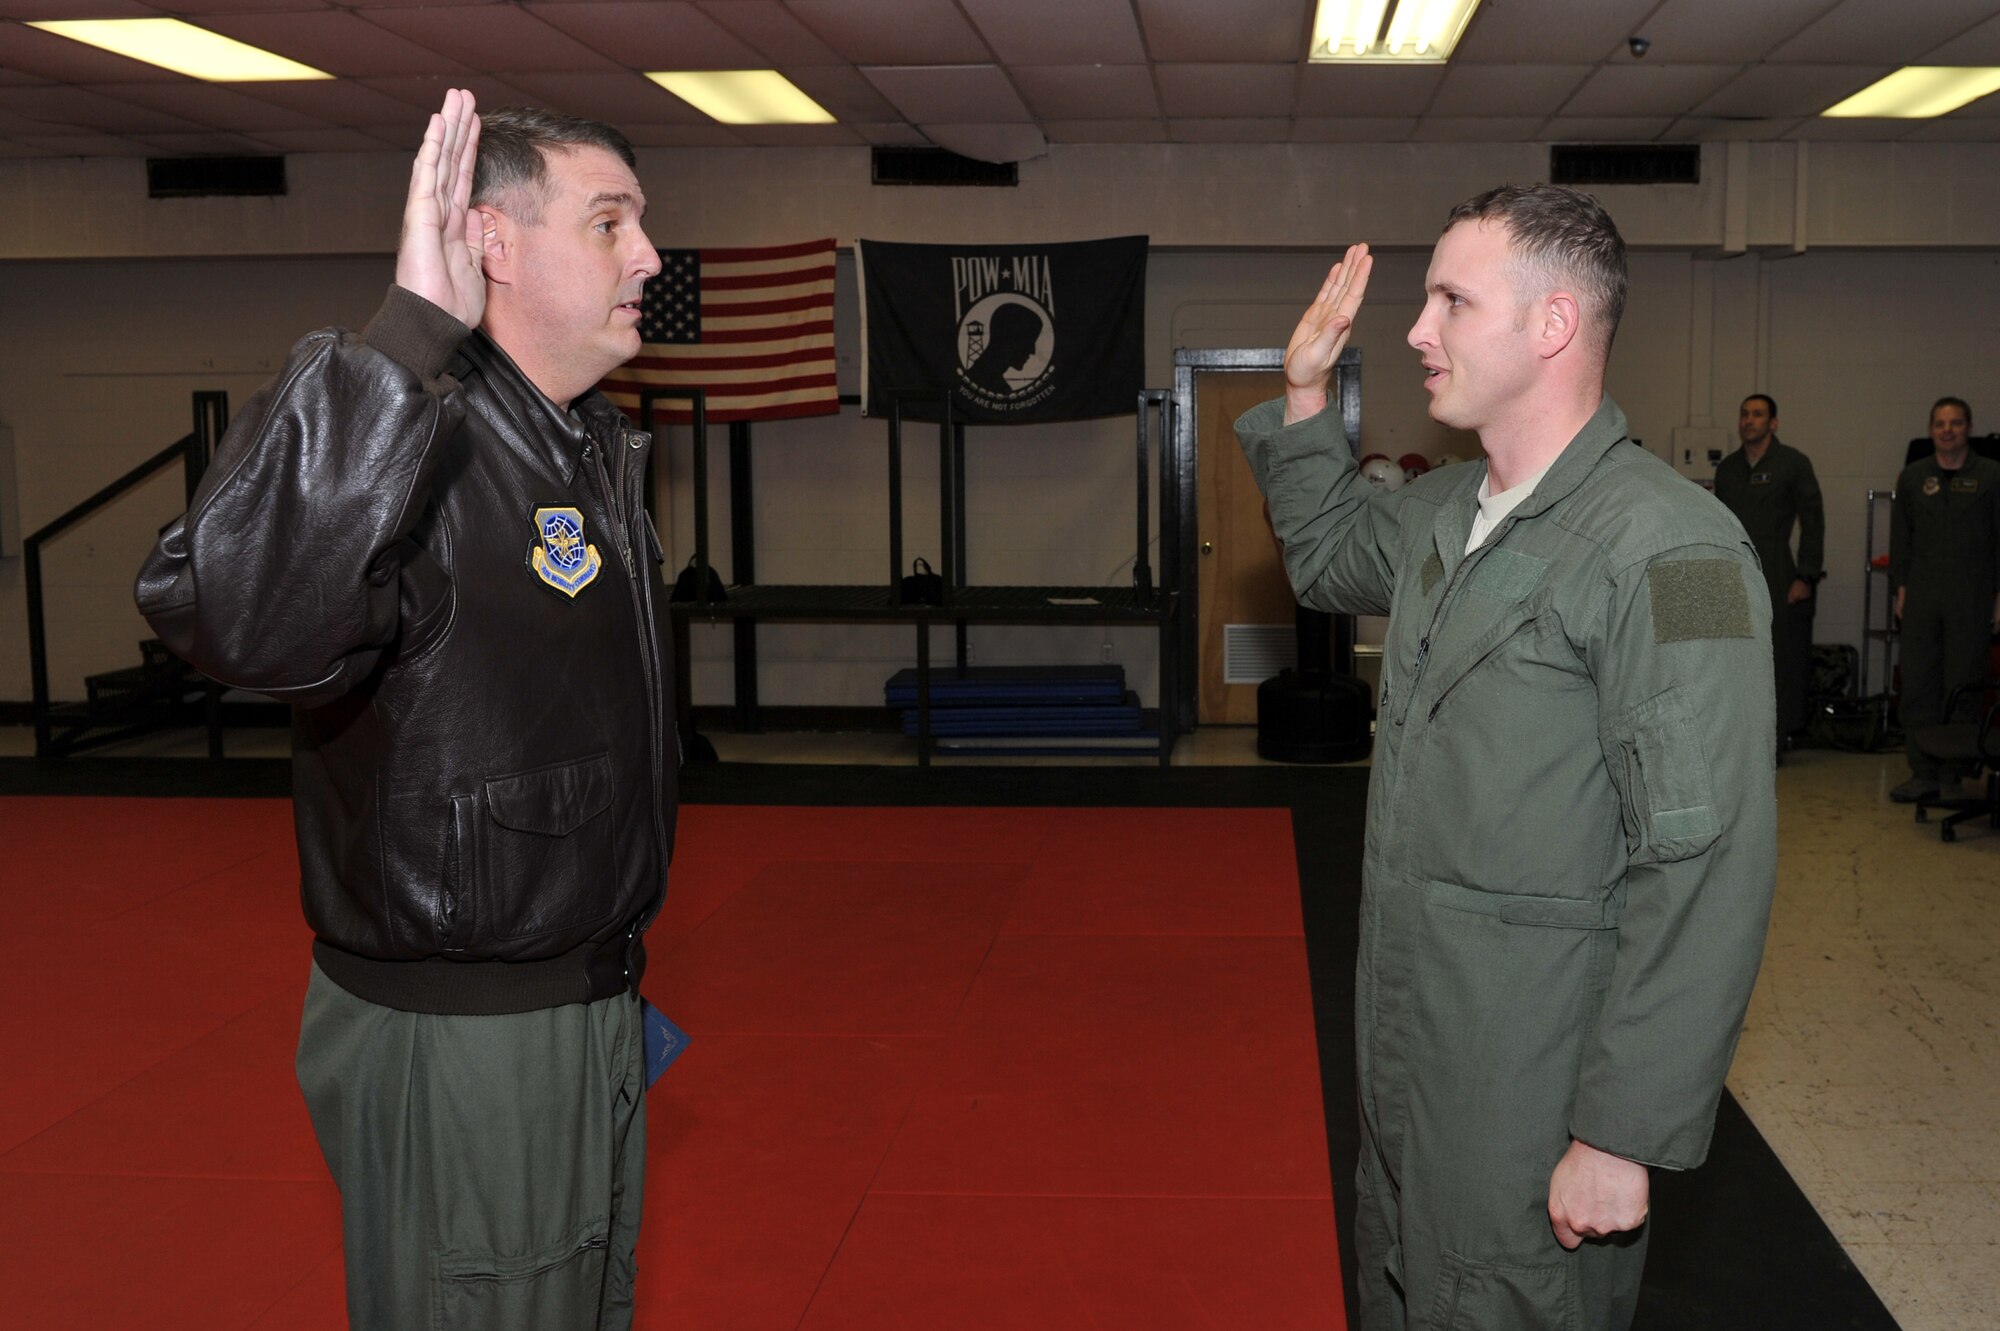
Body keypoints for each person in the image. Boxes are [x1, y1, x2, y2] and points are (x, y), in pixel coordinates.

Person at [135, 91, 674, 1329]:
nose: (647, 257)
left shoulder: (574, 444)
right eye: (610, 224)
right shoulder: (404, 432)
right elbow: (234, 617)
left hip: (584, 1001)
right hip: (465, 1031)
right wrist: (403, 340)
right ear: (491, 241)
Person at [1237, 187, 1776, 1329]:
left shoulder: (1669, 548)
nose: (1416, 331)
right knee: (1401, 1277)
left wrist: (1619, 1127)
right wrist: (1300, 396)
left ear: (1552, 325)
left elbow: (1703, 861)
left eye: (1449, 300)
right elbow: (1328, 556)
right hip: (1411, 1030)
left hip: (1532, 1066)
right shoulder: (1449, 507)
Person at [1889, 396, 2000, 803]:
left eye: (1955, 422)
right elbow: (1901, 539)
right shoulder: (1914, 476)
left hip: (1972, 596)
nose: (1947, 430)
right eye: (1940, 423)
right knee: (1918, 683)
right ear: (1931, 429)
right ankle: (1923, 772)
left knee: (1963, 685)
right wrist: (1901, 589)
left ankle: (1953, 775)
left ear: (1968, 427)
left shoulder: (1991, 475)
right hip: (1921, 594)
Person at [1712, 394, 1825, 750]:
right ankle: (1740, 741)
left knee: (1781, 659)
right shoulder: (1728, 468)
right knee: (1735, 658)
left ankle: (1774, 740)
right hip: (1734, 571)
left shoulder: (1792, 463)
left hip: (1778, 570)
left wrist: (1805, 575)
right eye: (1744, 414)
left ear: (1773, 423)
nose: (1749, 420)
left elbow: (1813, 522)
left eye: (1758, 414)